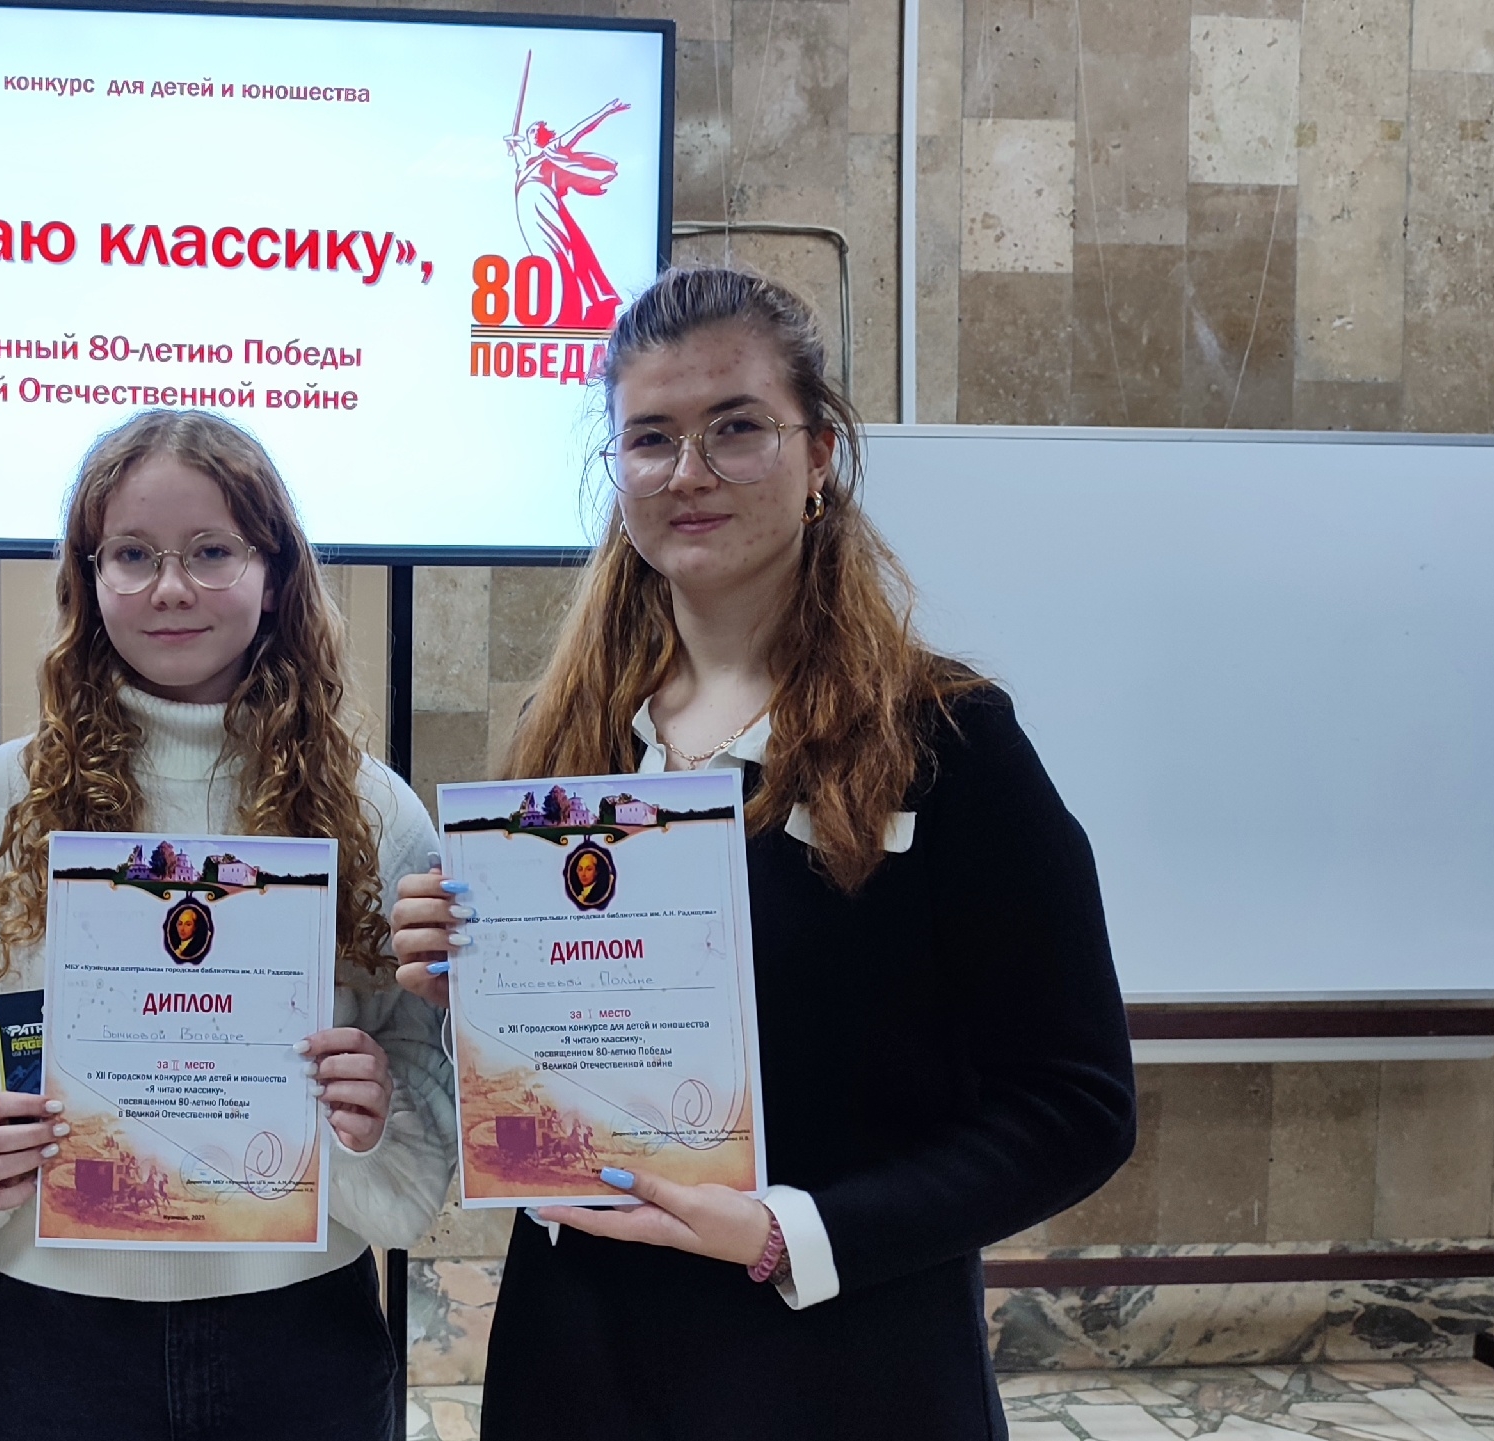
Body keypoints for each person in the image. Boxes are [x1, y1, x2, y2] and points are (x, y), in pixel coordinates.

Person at [390, 267, 1137, 1436]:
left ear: (819, 454)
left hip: (845, 1371)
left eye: (734, 428)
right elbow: (568, 1073)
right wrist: (473, 992)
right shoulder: (567, 743)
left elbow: (1074, 1105)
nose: (688, 472)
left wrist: (794, 1233)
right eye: (650, 438)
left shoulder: (946, 741)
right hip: (578, 1361)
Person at [0, 410, 450, 1441]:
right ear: (88, 578)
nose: (171, 587)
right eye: (133, 555)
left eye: (211, 552)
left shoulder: (374, 812)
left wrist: (369, 1120)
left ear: (273, 573)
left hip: (297, 1334)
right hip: (56, 1334)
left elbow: (420, 1091)